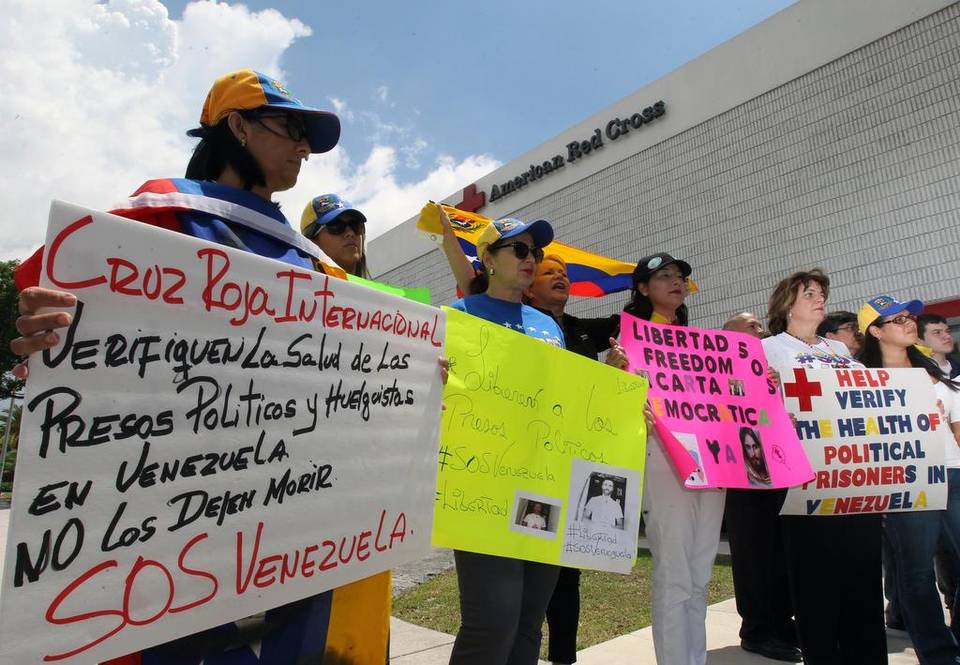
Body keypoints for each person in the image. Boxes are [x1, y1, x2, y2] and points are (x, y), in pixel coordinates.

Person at [10, 69, 402, 665]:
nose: (304, 147)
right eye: (291, 128)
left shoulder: (319, 266)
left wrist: (406, 376)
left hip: (290, 532)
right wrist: (46, 323)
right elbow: (60, 304)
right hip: (168, 531)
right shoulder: (155, 217)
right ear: (238, 126)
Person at [448, 216, 563, 665]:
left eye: (534, 252)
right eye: (518, 250)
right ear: (488, 261)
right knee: (492, 623)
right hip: (482, 487)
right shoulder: (457, 316)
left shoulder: (548, 325)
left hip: (542, 484)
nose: (530, 259)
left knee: (528, 623)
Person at [762, 269, 886, 665]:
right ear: (786, 305)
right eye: (809, 293)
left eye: (822, 293)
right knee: (817, 583)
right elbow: (756, 409)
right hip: (806, 478)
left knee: (862, 582)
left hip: (853, 477)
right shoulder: (770, 349)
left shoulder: (839, 352)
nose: (820, 299)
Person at [620, 252, 725, 665]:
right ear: (644, 289)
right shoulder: (628, 337)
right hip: (663, 457)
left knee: (700, 572)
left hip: (713, 460)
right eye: (663, 276)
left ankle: (694, 659)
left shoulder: (701, 342)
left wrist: (754, 381)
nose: (675, 281)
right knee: (675, 573)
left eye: (679, 275)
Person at [859, 295, 960, 665]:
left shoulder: (935, 371)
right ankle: (939, 655)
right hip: (905, 483)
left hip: (952, 472)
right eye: (896, 319)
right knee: (917, 574)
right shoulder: (861, 380)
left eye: (908, 317)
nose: (907, 323)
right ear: (875, 331)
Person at [721, 313, 800, 662]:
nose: (759, 330)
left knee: (781, 552)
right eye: (751, 327)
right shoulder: (718, 373)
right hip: (743, 474)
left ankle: (782, 624)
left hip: (777, 468)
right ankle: (757, 630)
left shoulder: (769, 373)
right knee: (754, 555)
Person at [301, 193, 370, 278]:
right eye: (336, 226)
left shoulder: (380, 291)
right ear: (311, 242)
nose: (350, 233)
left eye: (355, 225)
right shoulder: (292, 289)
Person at [920, 313, 960, 379]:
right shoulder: (917, 373)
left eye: (948, 331)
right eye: (937, 332)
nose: (948, 336)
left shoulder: (957, 367)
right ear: (919, 341)